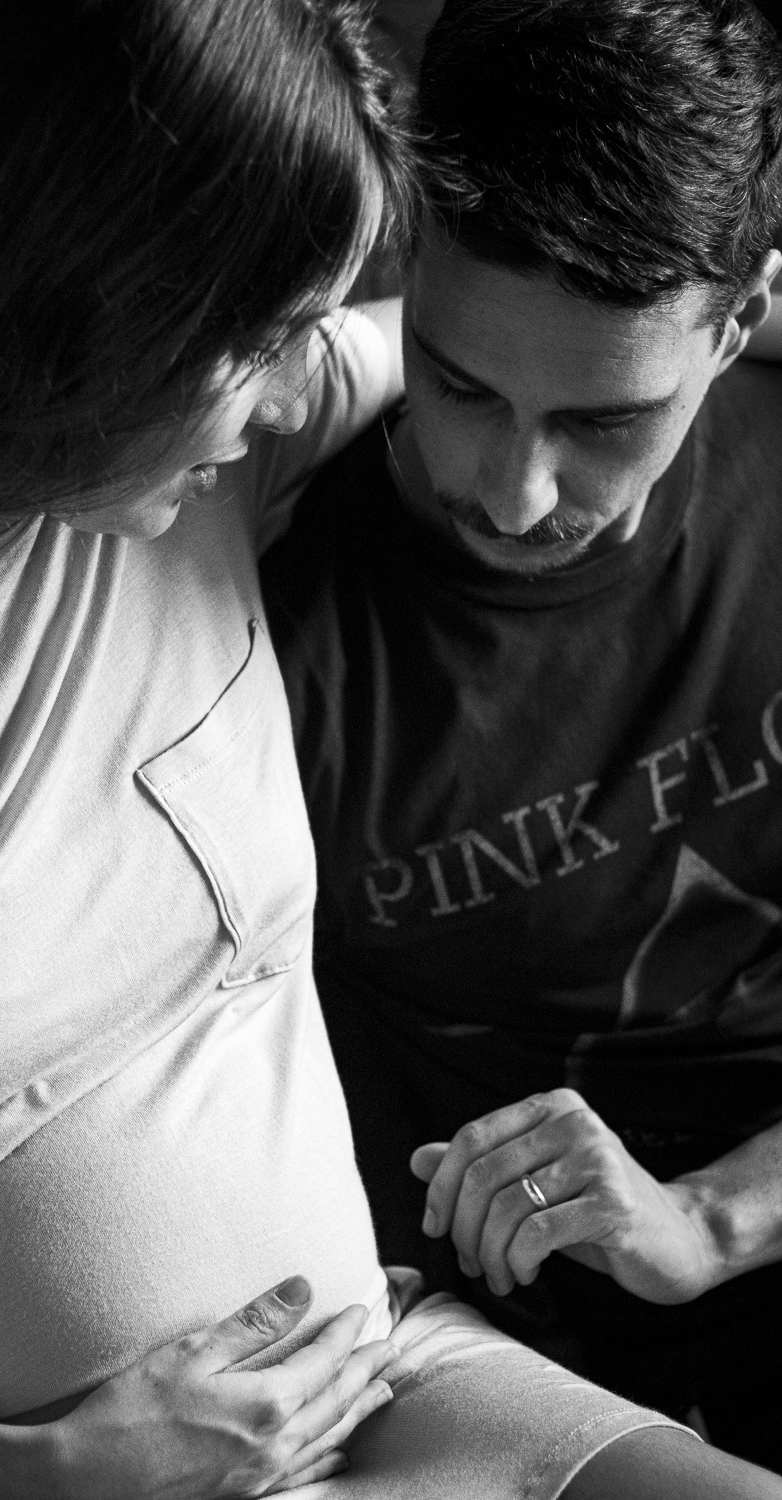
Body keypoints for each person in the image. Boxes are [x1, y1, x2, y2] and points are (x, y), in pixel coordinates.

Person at [0, 1, 773, 1497]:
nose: (299, 389)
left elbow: (601, 326)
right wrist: (27, 1468)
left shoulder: (193, 475)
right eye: (260, 340)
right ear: (87, 319)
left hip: (390, 1372)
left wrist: (731, 310)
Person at [261, 0, 782, 1476]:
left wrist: (717, 1220)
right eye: (461, 385)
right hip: (499, 1333)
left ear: (737, 320)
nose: (515, 492)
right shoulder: (274, 627)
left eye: (605, 422)